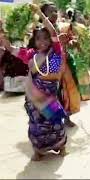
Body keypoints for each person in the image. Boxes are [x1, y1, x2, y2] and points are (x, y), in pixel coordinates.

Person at [0, 4, 67, 161]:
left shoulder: (56, 51)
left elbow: (52, 31)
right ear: (34, 41)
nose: (42, 41)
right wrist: (2, 35)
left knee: (54, 121)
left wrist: (40, 14)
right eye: (38, 39)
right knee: (36, 123)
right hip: (33, 98)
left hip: (50, 95)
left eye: (45, 38)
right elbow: (10, 48)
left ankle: (61, 145)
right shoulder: (31, 55)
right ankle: (39, 150)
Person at [40, 2, 80, 127]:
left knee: (67, 91)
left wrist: (71, 43)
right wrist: (58, 44)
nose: (54, 14)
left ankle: (67, 116)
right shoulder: (41, 31)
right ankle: (51, 120)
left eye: (55, 11)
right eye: (50, 11)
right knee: (52, 93)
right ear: (43, 15)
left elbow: (68, 41)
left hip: (65, 64)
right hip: (51, 66)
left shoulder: (61, 27)